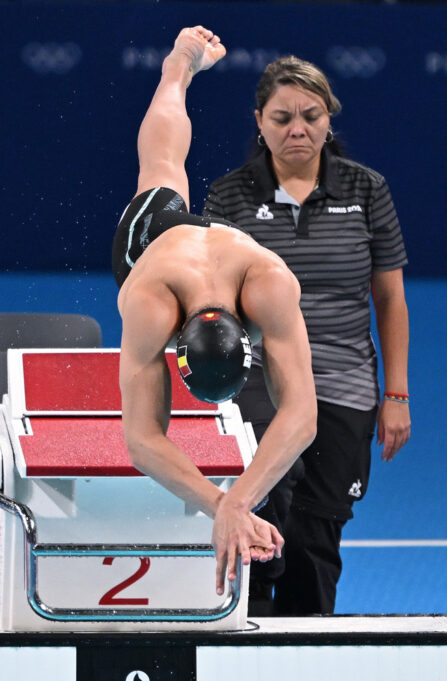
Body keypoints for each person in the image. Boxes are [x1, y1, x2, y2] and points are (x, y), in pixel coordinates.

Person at [113, 27, 318, 598]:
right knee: (158, 168)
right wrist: (221, 504)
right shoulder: (147, 303)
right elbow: (142, 438)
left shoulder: (270, 280)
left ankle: (180, 68)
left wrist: (237, 502)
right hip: (152, 245)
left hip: (223, 248)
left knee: (164, 168)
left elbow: (302, 416)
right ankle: (176, 66)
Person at [203, 55, 411, 615]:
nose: (297, 129)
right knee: (257, 531)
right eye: (282, 118)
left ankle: (305, 652)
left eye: (311, 116)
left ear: (329, 120)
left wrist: (396, 394)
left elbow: (388, 298)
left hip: (343, 388)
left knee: (317, 539)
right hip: (257, 393)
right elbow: (211, 302)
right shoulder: (229, 197)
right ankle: (243, 652)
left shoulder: (367, 190)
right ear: (259, 122)